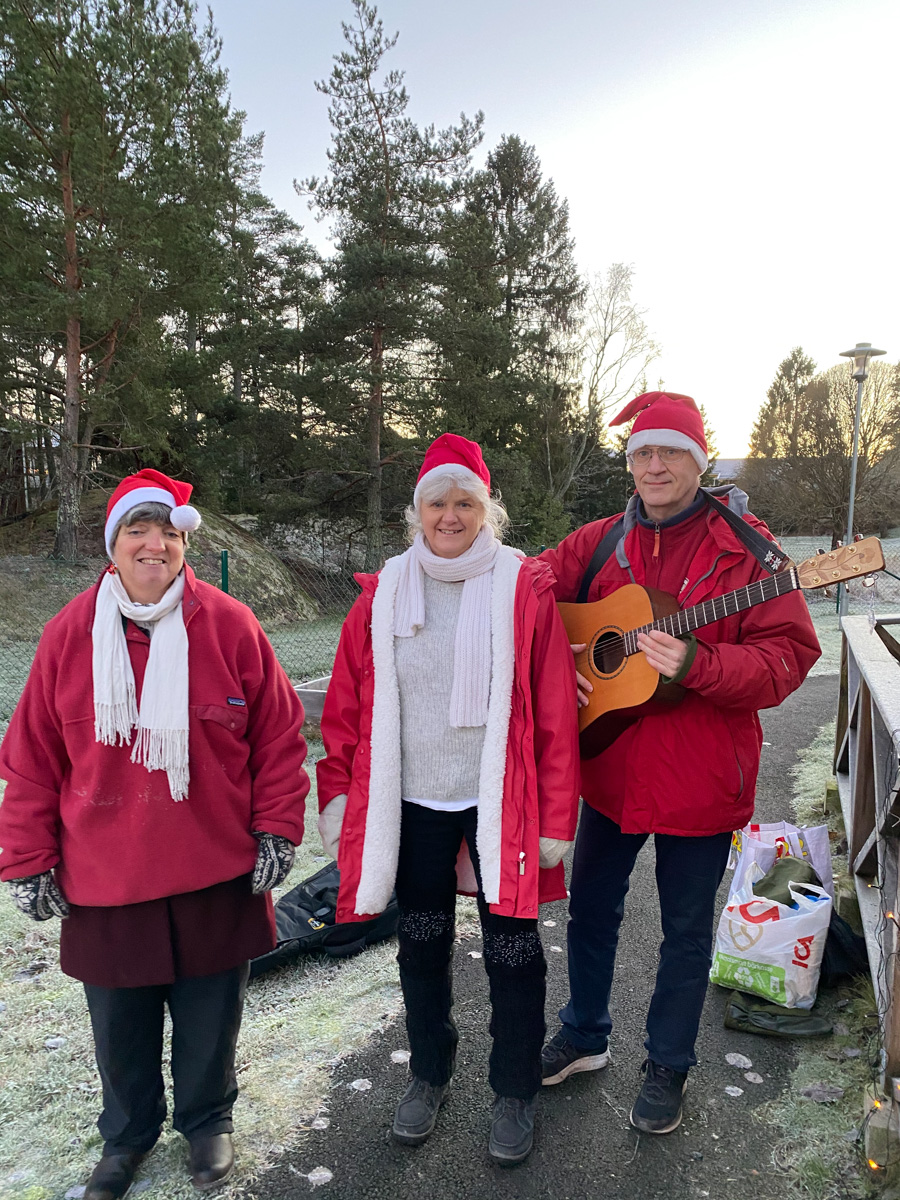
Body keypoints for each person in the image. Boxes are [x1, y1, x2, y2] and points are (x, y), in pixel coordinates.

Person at [0, 469, 309, 1199]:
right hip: (106, 875)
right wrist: (27, 858)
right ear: (113, 547)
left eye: (168, 532)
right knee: (121, 1029)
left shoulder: (230, 624)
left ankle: (207, 1123)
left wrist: (277, 826)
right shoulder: (68, 636)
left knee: (211, 1015)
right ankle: (128, 1136)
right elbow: (33, 759)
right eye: (138, 530)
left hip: (214, 867)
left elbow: (278, 736)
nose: (154, 545)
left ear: (182, 544)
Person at [538, 393, 820, 1134]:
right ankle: (583, 1034)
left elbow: (788, 659)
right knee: (592, 908)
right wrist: (554, 658)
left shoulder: (749, 552)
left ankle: (668, 1064)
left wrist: (699, 663)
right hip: (610, 770)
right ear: (629, 462)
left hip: (702, 778)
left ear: (699, 461)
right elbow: (529, 595)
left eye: (670, 453)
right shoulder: (596, 543)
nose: (654, 466)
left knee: (686, 931)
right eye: (642, 453)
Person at [317, 434, 579, 1164]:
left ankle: (515, 1089)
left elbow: (554, 709)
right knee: (421, 946)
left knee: (514, 951)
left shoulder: (522, 588)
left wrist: (558, 815)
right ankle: (429, 1072)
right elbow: (345, 706)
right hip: (414, 801)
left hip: (501, 800)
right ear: (417, 511)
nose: (451, 515)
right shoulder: (384, 593)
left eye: (466, 502)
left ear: (486, 510)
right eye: (438, 502)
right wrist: (338, 793)